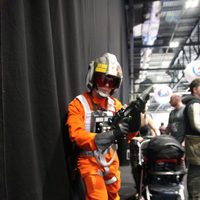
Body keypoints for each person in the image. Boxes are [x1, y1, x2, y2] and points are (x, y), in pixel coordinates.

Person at [66, 53, 142, 200]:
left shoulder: (116, 105)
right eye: (103, 79)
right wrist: (112, 135)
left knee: (114, 196)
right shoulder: (79, 104)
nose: (107, 85)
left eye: (112, 82)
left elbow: (130, 135)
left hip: (111, 160)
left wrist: (136, 118)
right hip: (89, 161)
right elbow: (76, 136)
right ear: (93, 77)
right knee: (98, 197)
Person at [182, 78, 200, 200]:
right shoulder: (194, 103)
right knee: (196, 173)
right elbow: (197, 124)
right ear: (195, 89)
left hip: (195, 144)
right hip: (196, 145)